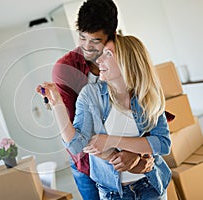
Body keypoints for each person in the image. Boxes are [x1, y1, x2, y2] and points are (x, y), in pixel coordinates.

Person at [38, 34, 171, 199]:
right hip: (114, 193)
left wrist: (112, 141)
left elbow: (163, 144)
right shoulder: (91, 95)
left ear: (126, 61)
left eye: (108, 54)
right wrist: (57, 104)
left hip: (151, 185)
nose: (99, 60)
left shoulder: (148, 95)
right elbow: (75, 145)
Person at [51, 0, 154, 199]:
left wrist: (142, 156)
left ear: (112, 35)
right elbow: (77, 134)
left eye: (96, 40)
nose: (87, 48)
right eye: (82, 38)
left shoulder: (127, 56)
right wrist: (127, 159)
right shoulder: (65, 69)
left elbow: (148, 108)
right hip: (90, 163)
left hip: (133, 151)